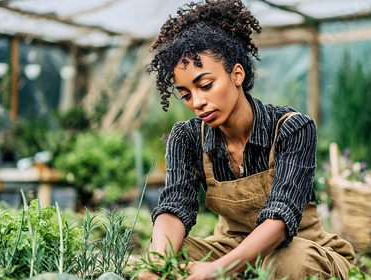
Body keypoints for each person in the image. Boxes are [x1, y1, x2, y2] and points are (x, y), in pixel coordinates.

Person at [139, 0, 356, 279]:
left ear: (237, 74)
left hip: (292, 247)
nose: (198, 102)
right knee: (160, 251)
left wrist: (219, 269)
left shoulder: (293, 129)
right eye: (186, 94)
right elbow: (175, 207)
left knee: (294, 262)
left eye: (205, 85)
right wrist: (161, 265)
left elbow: (280, 218)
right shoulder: (187, 137)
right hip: (230, 247)